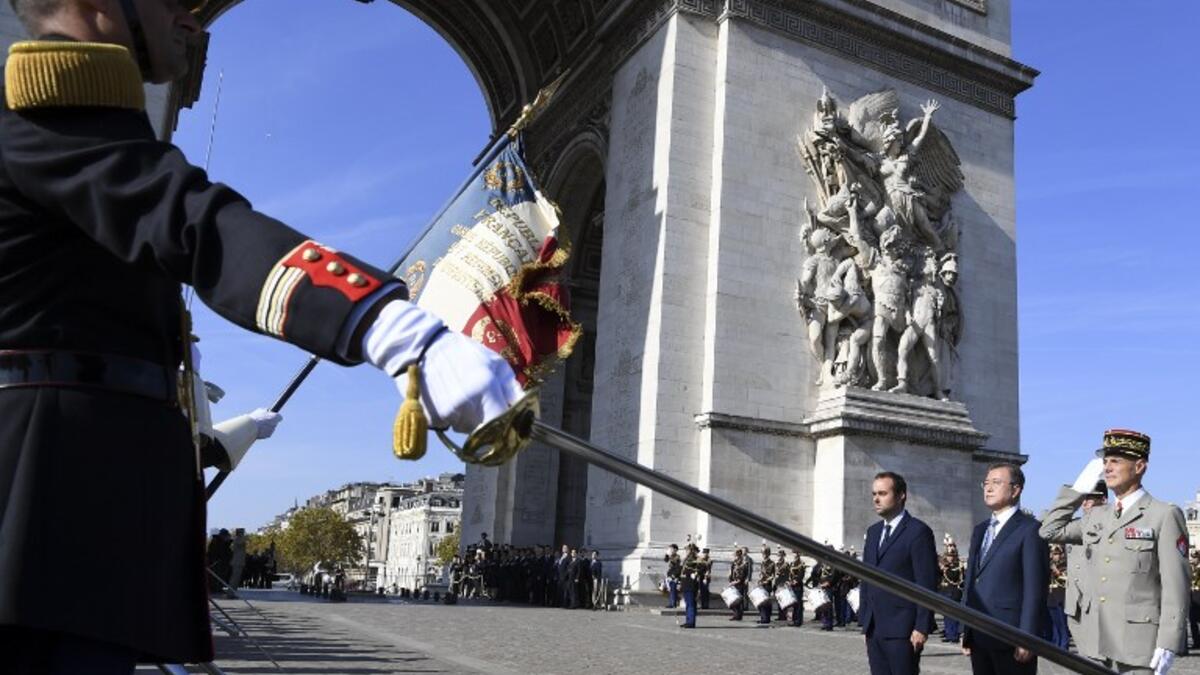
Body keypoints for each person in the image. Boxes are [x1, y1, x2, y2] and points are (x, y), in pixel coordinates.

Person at [0, 0, 527, 671]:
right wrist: (382, 321)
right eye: (170, 3)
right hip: (47, 528)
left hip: (65, 528)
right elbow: (202, 226)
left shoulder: (72, 134)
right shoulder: (53, 127)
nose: (191, 21)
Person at [1039, 429, 1190, 674]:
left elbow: (1176, 587)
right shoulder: (1097, 516)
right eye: (1105, 461)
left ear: (1139, 466)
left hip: (1138, 648)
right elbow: (1049, 530)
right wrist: (1077, 490)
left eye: (1116, 461)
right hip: (1094, 644)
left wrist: (1169, 641)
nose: (1107, 468)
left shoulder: (1163, 515)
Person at [961, 462, 1049, 675]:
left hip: (1011, 636)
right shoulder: (980, 530)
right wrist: (966, 627)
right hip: (979, 632)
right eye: (986, 483)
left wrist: (1027, 636)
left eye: (996, 483)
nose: (988, 488)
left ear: (1016, 489)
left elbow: (1034, 589)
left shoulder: (1030, 529)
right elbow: (972, 579)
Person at [859, 471, 938, 675]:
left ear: (901, 495)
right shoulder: (873, 532)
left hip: (904, 629)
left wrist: (921, 626)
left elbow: (926, 583)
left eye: (883, 493)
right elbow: (866, 578)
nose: (876, 499)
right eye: (874, 494)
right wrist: (865, 620)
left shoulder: (918, 531)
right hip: (875, 627)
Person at [938, 535, 965, 643]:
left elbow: (954, 577)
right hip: (946, 592)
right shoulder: (947, 565)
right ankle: (949, 633)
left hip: (953, 593)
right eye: (948, 555)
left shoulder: (957, 566)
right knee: (947, 616)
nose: (949, 557)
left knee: (952, 616)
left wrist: (945, 568)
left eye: (950, 555)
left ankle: (953, 635)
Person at [1047, 544, 1070, 650]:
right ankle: (1056, 646)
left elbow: (1064, 580)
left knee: (1063, 627)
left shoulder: (1065, 565)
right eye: (1052, 554)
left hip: (1062, 598)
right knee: (1055, 626)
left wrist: (1056, 571)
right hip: (1051, 598)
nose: (1053, 556)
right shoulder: (1050, 565)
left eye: (1056, 554)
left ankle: (1064, 648)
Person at [680, 545, 700, 629]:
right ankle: (688, 620)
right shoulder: (687, 560)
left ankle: (691, 622)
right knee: (688, 604)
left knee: (691, 604)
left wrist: (693, 574)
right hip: (686, 584)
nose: (686, 551)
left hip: (691, 584)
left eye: (687, 550)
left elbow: (701, 568)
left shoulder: (696, 560)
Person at [755, 545, 776, 625]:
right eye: (762, 553)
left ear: (768, 553)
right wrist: (760, 579)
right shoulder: (762, 563)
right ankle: (763, 617)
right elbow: (761, 573)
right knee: (760, 602)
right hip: (762, 584)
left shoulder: (772, 563)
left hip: (767, 585)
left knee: (765, 602)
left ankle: (766, 618)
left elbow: (773, 575)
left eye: (765, 553)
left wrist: (766, 580)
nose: (763, 554)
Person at [786, 549, 807, 626]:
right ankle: (793, 619)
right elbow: (789, 574)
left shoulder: (801, 563)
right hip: (792, 586)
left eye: (796, 553)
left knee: (798, 604)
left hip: (798, 586)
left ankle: (798, 620)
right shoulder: (792, 563)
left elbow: (801, 574)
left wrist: (796, 581)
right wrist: (789, 581)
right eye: (794, 553)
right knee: (793, 604)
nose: (794, 554)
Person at [728, 547, 749, 622]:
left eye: (736, 555)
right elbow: (732, 572)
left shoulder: (743, 564)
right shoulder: (734, 563)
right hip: (734, 582)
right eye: (735, 555)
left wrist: (733, 582)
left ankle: (738, 615)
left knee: (738, 600)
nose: (735, 557)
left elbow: (741, 577)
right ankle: (735, 614)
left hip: (739, 583)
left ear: (739, 555)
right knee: (733, 599)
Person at [663, 544, 682, 609]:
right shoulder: (671, 556)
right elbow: (665, 560)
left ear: (675, 550)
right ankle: (671, 603)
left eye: (671, 549)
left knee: (673, 590)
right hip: (670, 574)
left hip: (674, 576)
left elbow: (678, 567)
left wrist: (674, 575)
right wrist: (667, 554)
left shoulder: (677, 557)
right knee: (670, 590)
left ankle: (673, 604)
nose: (670, 550)